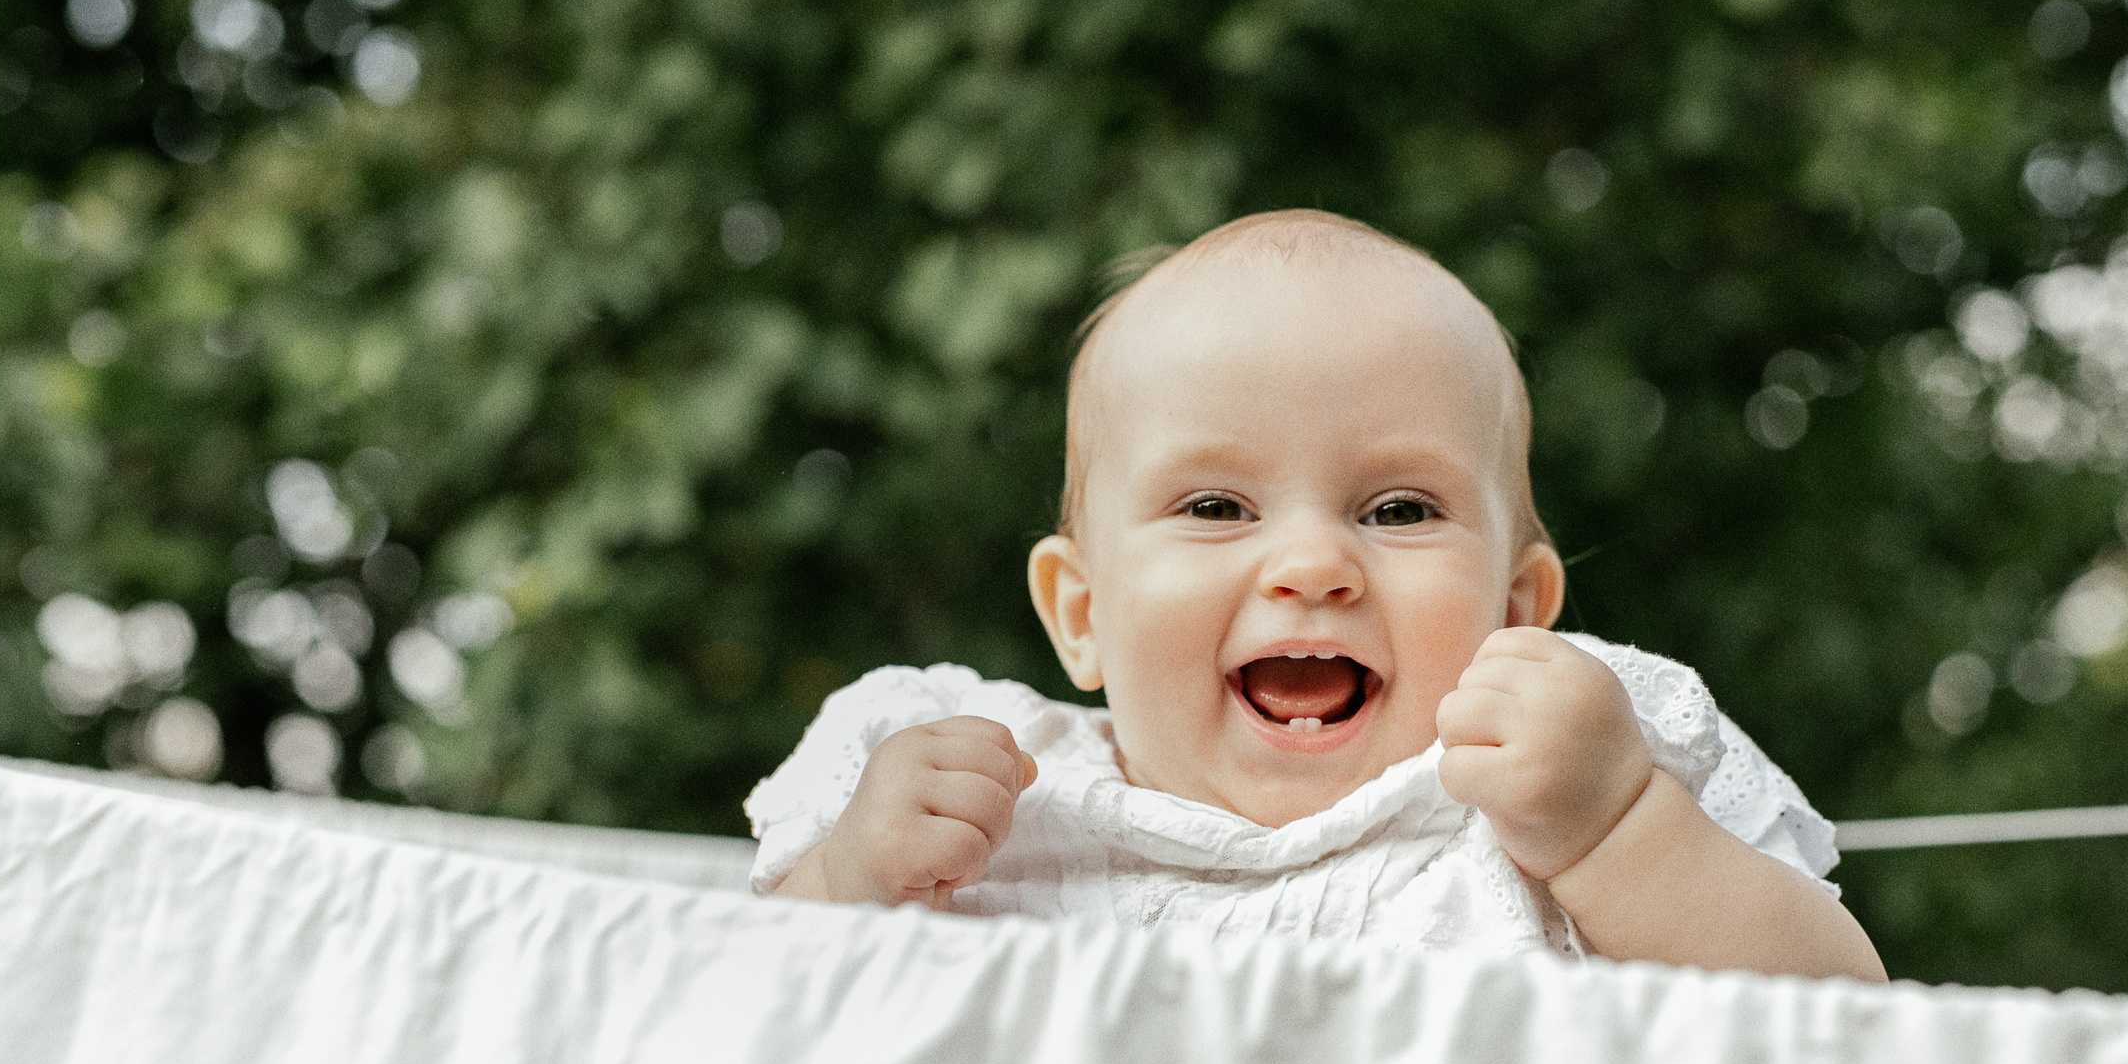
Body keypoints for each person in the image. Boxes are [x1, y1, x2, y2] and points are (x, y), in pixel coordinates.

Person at [748, 210, 1884, 979]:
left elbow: (1855, 1028)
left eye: (1397, 511)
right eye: (1215, 509)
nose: (1311, 566)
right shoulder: (992, 801)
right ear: (1082, 613)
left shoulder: (1568, 790)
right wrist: (850, 880)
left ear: (1513, 612)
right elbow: (724, 1040)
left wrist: (1622, 834)